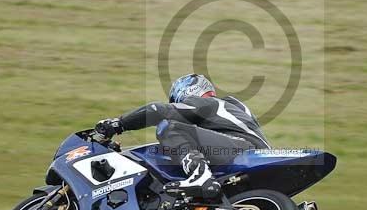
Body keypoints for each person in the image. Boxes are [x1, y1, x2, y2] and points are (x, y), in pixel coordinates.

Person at [95, 74, 270, 200]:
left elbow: (158, 111)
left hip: (243, 149)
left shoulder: (209, 103)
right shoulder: (230, 110)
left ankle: (200, 175)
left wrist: (119, 123)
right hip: (250, 157)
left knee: (168, 127)